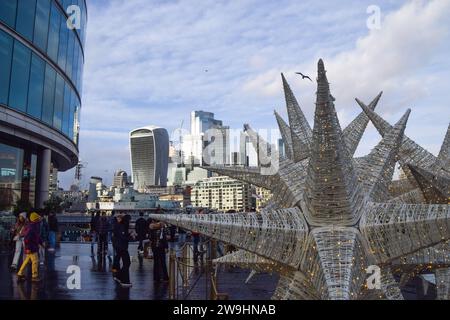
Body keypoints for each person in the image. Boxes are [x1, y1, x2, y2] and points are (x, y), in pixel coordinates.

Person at [17, 212, 43, 282]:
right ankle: (34, 276)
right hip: (32, 247)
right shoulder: (33, 227)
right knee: (35, 261)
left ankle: (20, 273)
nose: (39, 219)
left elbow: (37, 236)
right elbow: (27, 238)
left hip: (31, 247)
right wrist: (28, 248)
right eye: (38, 218)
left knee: (26, 260)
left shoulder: (34, 226)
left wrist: (41, 243)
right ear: (36, 219)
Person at [113, 214, 133, 287]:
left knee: (126, 263)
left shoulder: (120, 225)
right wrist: (131, 237)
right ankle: (124, 280)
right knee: (127, 263)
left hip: (119, 246)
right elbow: (123, 237)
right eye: (129, 220)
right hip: (122, 247)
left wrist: (129, 234)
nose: (130, 222)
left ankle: (119, 276)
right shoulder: (123, 226)